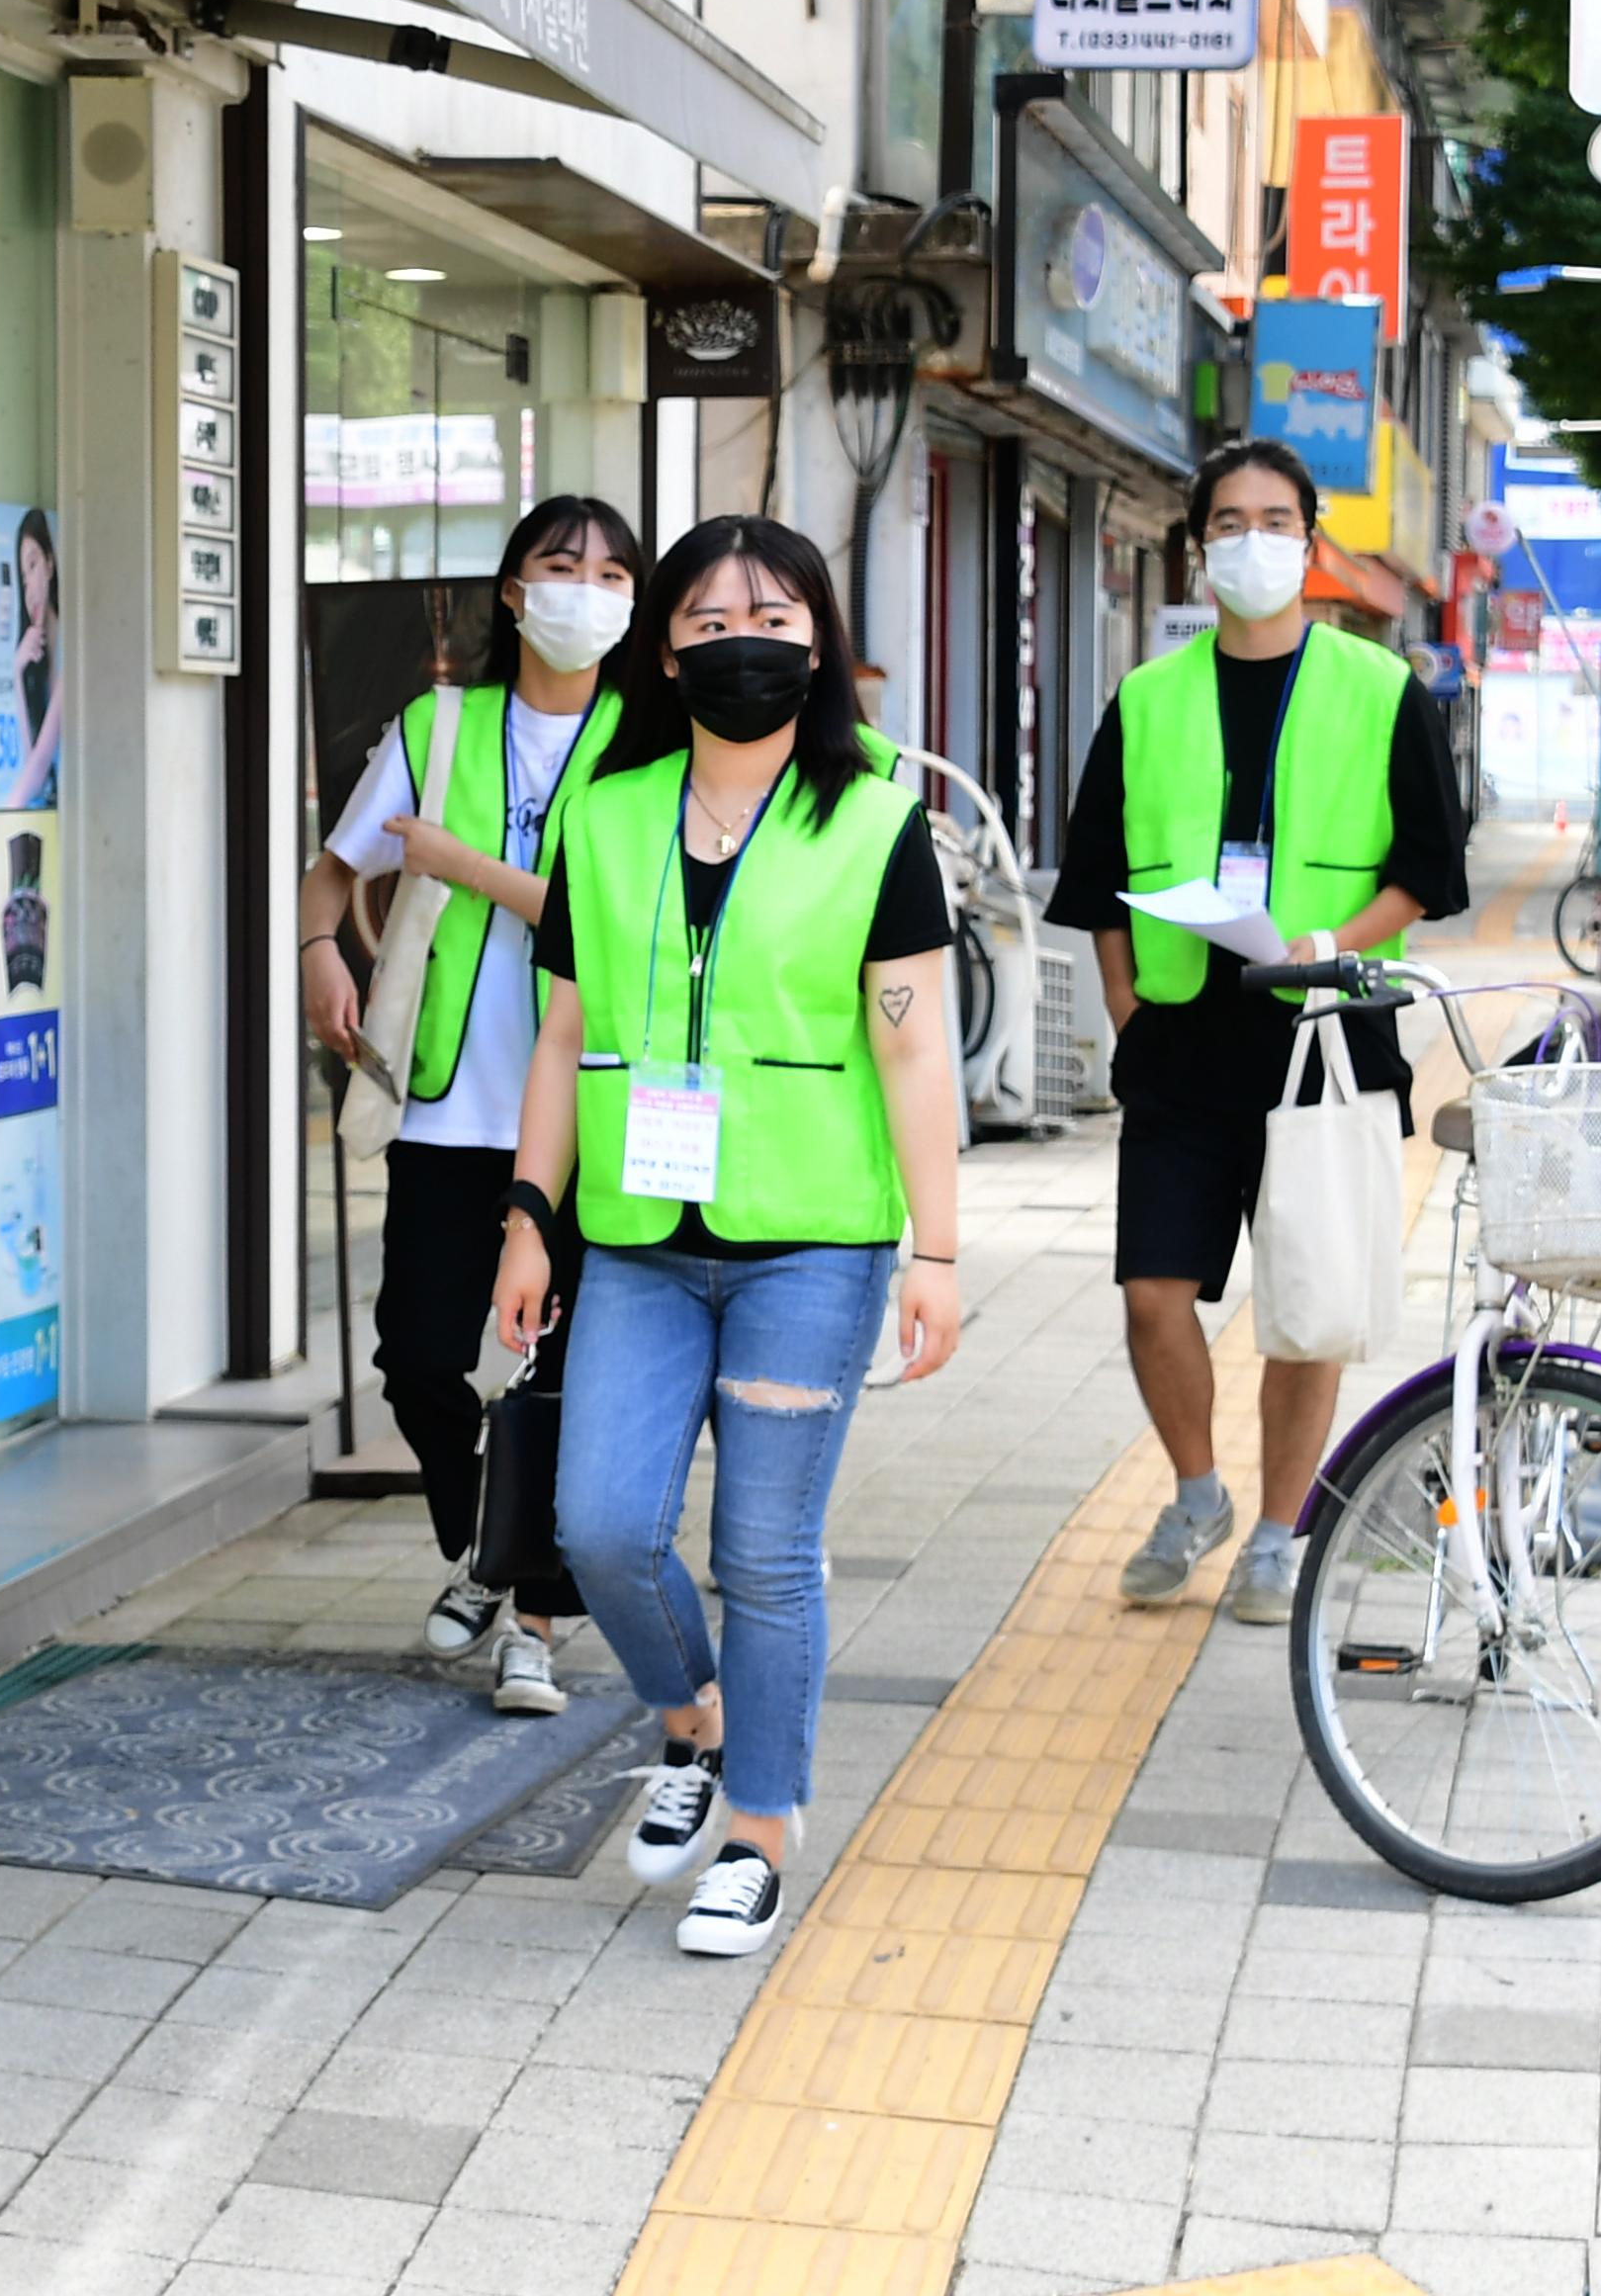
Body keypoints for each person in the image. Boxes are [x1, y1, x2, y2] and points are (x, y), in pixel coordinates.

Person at [495, 514, 964, 1957]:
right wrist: (528, 1218)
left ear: (815, 642)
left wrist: (936, 1254)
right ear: (667, 650)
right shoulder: (610, 813)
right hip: (639, 1235)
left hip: (813, 1243)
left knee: (766, 1550)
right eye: (704, 621)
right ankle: (695, 1720)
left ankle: (758, 1827)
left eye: (767, 617)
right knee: (604, 1527)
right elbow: (565, 1029)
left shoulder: (875, 817)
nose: (736, 641)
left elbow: (915, 1051)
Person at [1042, 439, 1469, 1626]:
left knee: (1309, 1298)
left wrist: (1335, 943)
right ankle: (1197, 1494)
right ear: (1198, 547)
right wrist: (1128, 1011)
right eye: (1227, 521)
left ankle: (1281, 1533)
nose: (1251, 541)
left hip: (1327, 1036)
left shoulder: (1381, 690)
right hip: (1182, 1044)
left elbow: (1427, 871)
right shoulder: (1146, 700)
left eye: (1273, 519)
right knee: (1151, 1293)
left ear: (1312, 537)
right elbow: (1096, 884)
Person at [301, 495, 646, 1716]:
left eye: (611, 573)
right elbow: (341, 864)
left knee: (559, 1374)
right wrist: (319, 950)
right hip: (450, 1102)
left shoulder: (652, 741)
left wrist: (461, 866)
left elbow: (613, 921)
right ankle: (480, 1552)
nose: (584, 591)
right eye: (561, 566)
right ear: (513, 591)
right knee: (420, 1360)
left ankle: (535, 1624)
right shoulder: (443, 724)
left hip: (593, 1110)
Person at [6, 509, 61, 810]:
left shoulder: (70, 655)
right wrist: (17, 673)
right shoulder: (40, 660)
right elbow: (32, 763)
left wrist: (10, 809)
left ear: (50, 565)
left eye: (33, 565)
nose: (30, 589)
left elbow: (38, 769)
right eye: (23, 578)